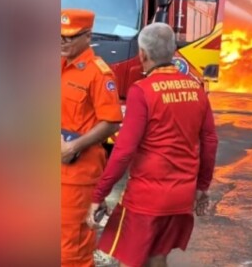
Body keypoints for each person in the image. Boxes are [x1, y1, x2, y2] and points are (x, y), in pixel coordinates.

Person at [88, 22, 218, 267]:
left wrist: (99, 193)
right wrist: (202, 185)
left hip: (146, 198)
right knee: (157, 256)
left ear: (143, 54)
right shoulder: (196, 88)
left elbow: (124, 150)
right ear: (173, 51)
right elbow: (210, 140)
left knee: (132, 258)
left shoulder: (142, 90)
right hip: (181, 195)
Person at [61, 9, 123, 267]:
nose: (63, 43)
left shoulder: (99, 74)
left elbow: (111, 122)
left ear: (87, 36)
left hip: (78, 173)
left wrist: (75, 145)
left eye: (69, 38)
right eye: (59, 37)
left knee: (70, 249)